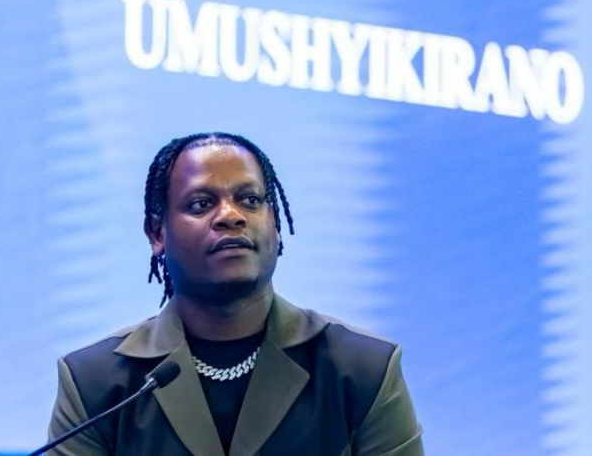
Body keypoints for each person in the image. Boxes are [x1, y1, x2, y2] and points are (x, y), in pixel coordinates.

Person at [47, 132, 424, 456]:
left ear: (275, 225)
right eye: (201, 203)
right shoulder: (95, 382)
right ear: (157, 233)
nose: (231, 215)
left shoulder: (362, 370)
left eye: (250, 199)